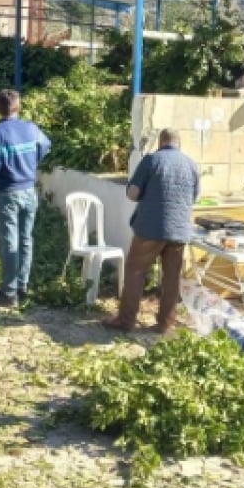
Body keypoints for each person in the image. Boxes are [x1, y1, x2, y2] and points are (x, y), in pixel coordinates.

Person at [103, 128, 200, 334]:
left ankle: (126, 320)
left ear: (161, 142)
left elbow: (132, 193)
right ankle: (165, 324)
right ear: (178, 144)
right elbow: (194, 197)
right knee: (171, 278)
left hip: (151, 228)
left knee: (136, 271)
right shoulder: (192, 164)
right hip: (179, 230)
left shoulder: (152, 160)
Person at [0, 89, 52, 308]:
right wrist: (31, 164)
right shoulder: (31, 128)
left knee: (10, 241)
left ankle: (8, 293)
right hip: (30, 190)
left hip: (8, 192)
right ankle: (22, 288)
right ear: (18, 107)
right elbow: (46, 145)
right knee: (26, 239)